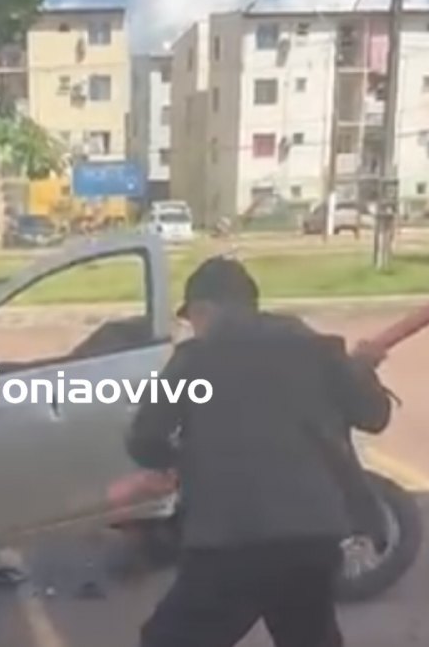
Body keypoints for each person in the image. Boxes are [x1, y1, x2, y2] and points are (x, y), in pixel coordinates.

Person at [126, 256, 393, 647]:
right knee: (307, 636)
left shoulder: (193, 361)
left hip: (230, 537)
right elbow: (374, 416)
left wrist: (177, 461)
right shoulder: (316, 349)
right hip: (313, 535)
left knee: (167, 640)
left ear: (205, 310)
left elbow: (144, 439)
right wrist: (364, 370)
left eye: (193, 318)